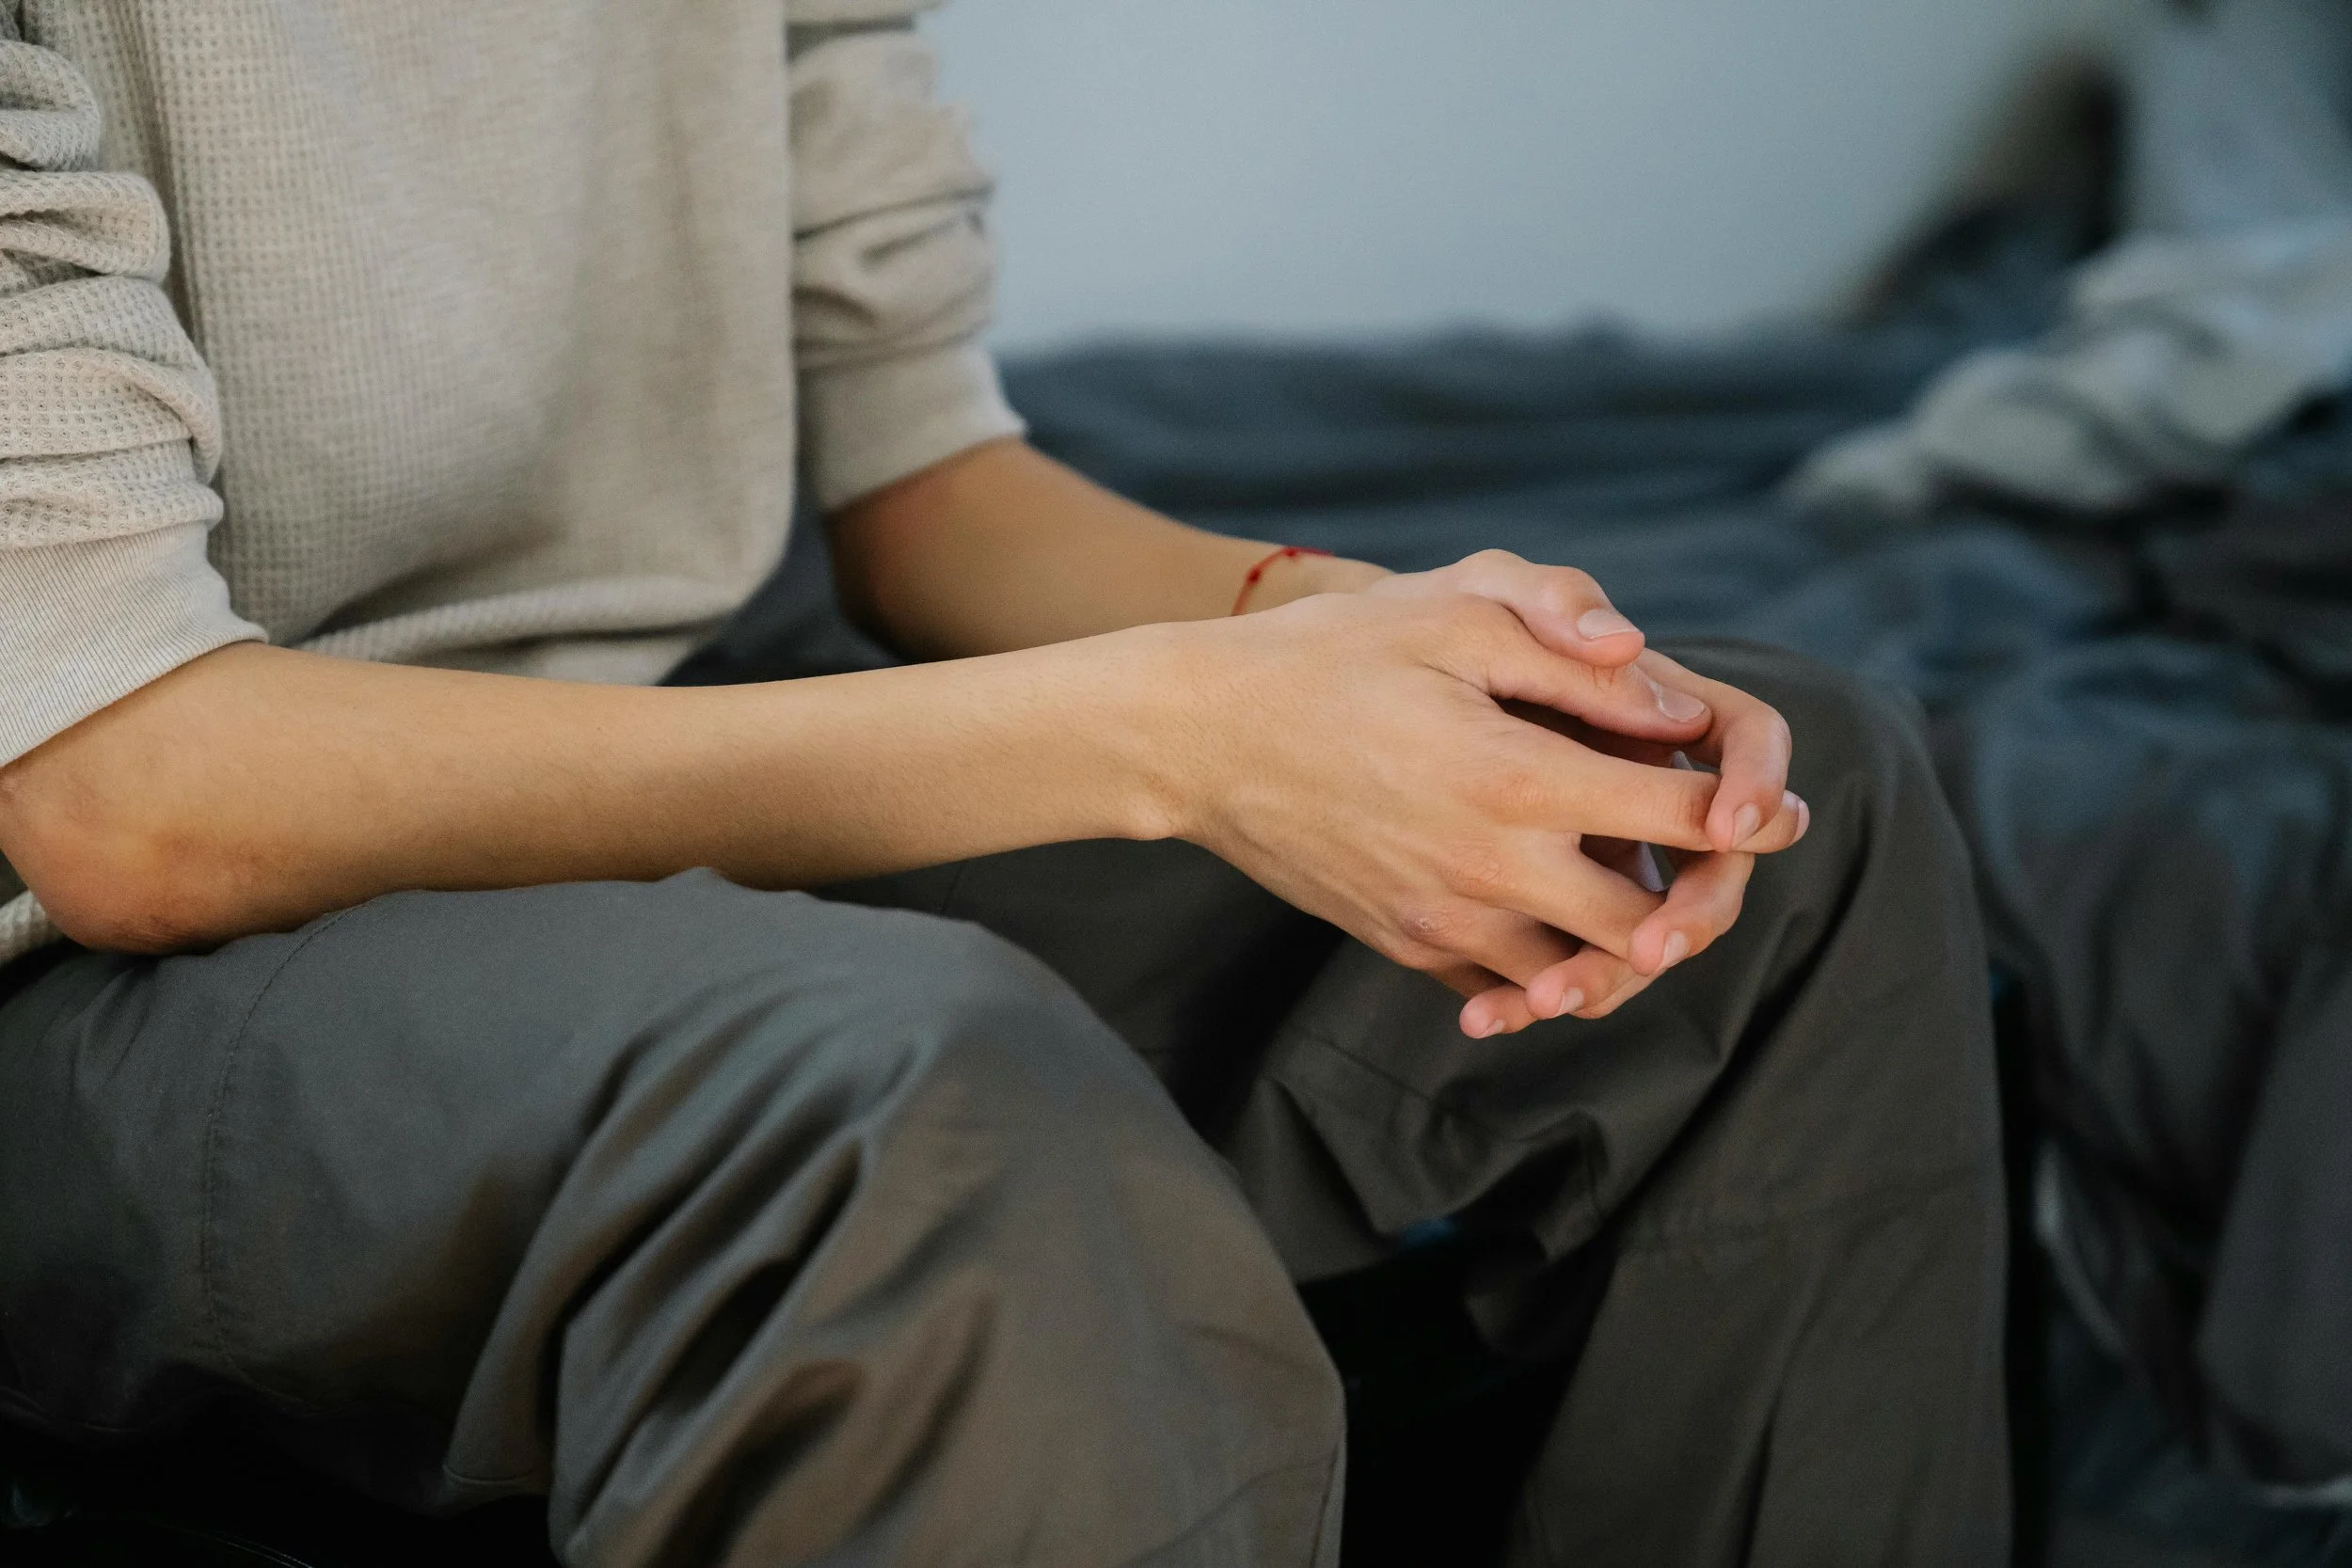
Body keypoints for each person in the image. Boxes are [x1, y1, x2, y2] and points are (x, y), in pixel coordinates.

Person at [0, 3, 2010, 1563]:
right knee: (916, 1098)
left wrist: (1388, 647)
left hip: (691, 731)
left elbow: (925, 485)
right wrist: (1178, 730)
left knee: (1747, 812)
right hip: (111, 968)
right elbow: (131, 792)